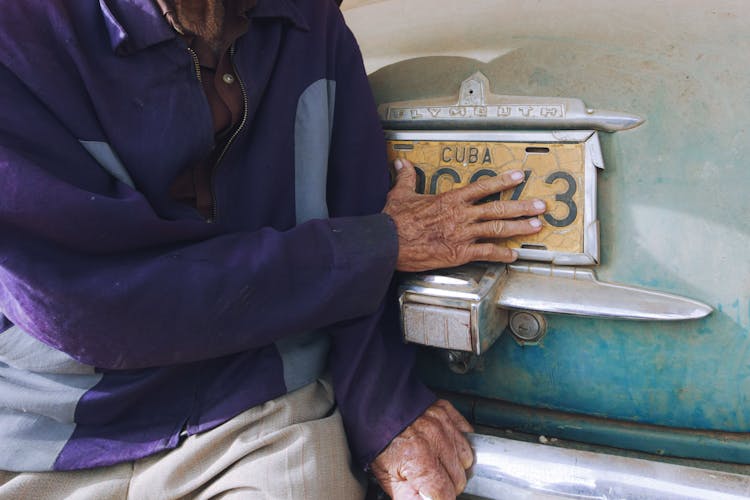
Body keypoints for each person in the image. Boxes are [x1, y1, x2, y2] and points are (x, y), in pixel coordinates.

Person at [0, 0, 545, 498]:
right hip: (46, 426)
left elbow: (359, 213)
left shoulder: (314, 25)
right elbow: (88, 304)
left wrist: (383, 411)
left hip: (255, 401)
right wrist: (373, 247)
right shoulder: (16, 36)